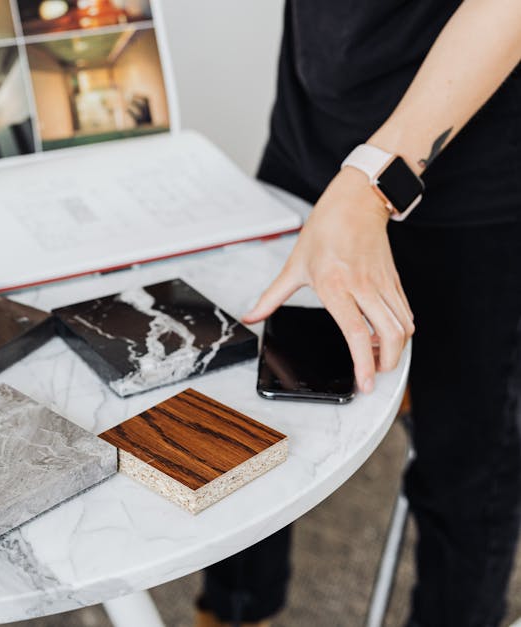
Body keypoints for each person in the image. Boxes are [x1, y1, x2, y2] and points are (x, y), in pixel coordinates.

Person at [196, 1, 521, 626]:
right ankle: (235, 610)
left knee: (463, 460)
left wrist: (374, 180)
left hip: (474, 169)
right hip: (311, 127)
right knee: (252, 409)